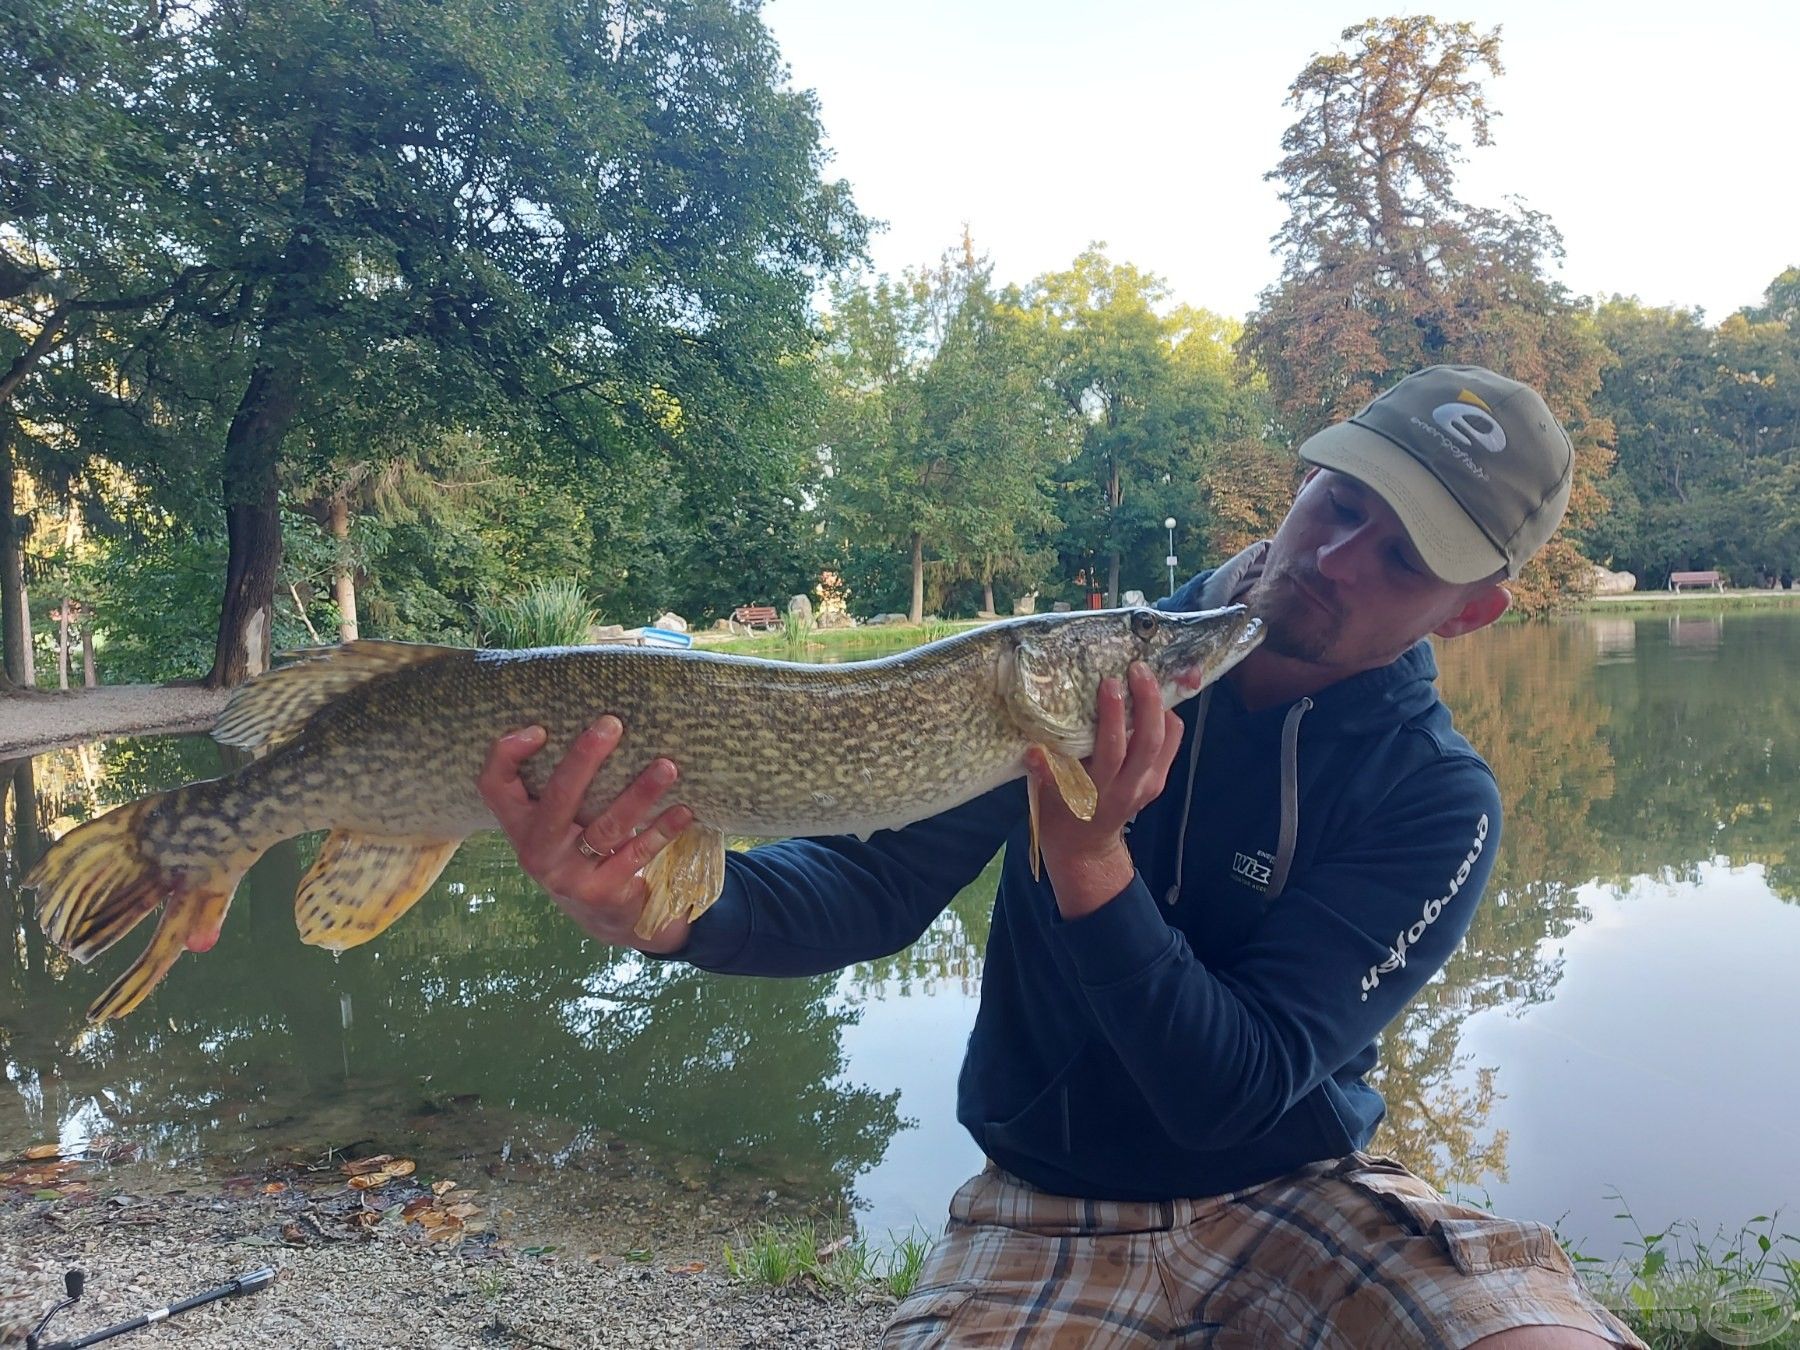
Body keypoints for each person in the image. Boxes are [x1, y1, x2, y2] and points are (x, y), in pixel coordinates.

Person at [478, 365, 1644, 1349]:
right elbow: (875, 888)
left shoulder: (1438, 799)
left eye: (1401, 559)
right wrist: (666, 910)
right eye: (1338, 503)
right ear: (1306, 479)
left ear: (1468, 614)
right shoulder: (1064, 670)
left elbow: (1230, 1090)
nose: (1337, 557)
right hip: (1047, 1202)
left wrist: (1092, 866)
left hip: (1295, 1185)